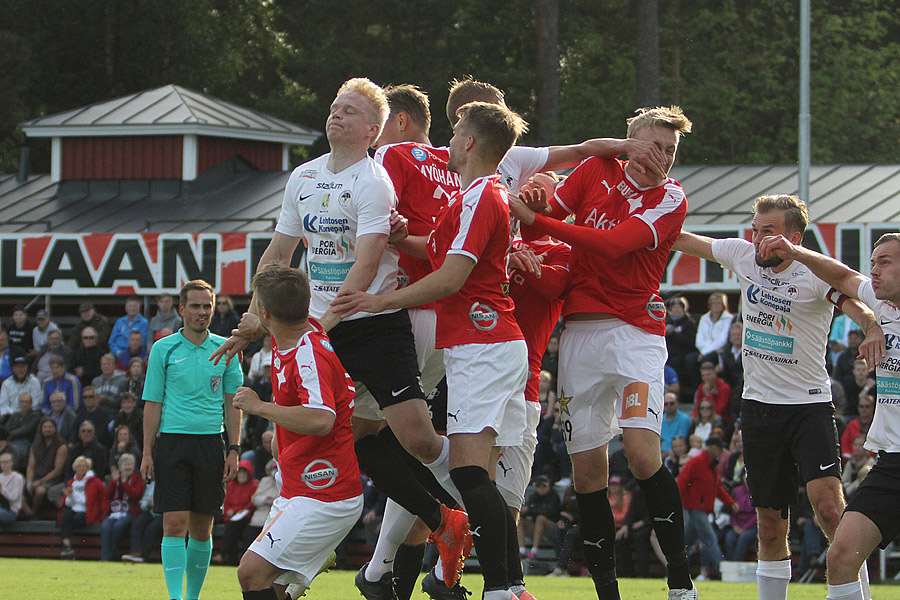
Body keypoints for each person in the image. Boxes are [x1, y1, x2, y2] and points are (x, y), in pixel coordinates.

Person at [212, 78, 469, 596]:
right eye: (334, 108)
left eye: (349, 112)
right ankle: (443, 521)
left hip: (372, 324)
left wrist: (315, 328)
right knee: (353, 440)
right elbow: (278, 254)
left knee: (417, 438)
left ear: (373, 130)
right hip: (323, 327)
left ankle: (471, 502)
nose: (336, 117)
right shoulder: (303, 176)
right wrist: (255, 315)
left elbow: (368, 261)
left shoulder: (374, 181)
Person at [333, 100, 531, 600]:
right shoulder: (476, 195)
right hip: (489, 345)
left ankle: (501, 586)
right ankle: (499, 584)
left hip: (482, 345)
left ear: (468, 142)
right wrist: (404, 238)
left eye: (457, 128)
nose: (449, 137)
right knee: (471, 473)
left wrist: (381, 299)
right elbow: (439, 251)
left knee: (463, 470)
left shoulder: (480, 196)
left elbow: (450, 276)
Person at [510, 105, 696, 600]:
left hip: (635, 337)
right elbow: (548, 220)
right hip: (578, 339)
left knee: (640, 455)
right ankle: (607, 593)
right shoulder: (594, 169)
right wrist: (534, 207)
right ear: (628, 141)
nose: (661, 158)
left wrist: (537, 218)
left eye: (671, 150)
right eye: (654, 145)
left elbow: (613, 246)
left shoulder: (671, 197)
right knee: (587, 472)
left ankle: (680, 582)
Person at [673, 194, 884, 600]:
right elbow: (680, 239)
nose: (758, 239)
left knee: (829, 510)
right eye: (754, 229)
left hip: (810, 406)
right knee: (770, 522)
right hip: (759, 410)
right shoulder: (742, 255)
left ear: (794, 236)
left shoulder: (813, 272)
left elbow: (854, 300)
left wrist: (872, 328)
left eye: (767, 231)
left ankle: (858, 595)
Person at [755, 230, 900, 600]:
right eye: (873, 264)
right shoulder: (882, 307)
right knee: (840, 556)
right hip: (893, 465)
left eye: (885, 262)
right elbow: (841, 276)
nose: (875, 271)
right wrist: (794, 252)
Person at [231, 263, 364, 600]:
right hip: (297, 488)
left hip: (325, 495)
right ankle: (312, 558)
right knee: (272, 589)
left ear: (264, 311)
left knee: (250, 572)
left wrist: (258, 406)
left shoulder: (308, 355)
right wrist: (253, 331)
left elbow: (321, 419)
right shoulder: (294, 334)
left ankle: (316, 551)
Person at [140, 280, 244, 600]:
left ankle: (192, 597)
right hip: (172, 443)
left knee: (202, 529)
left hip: (211, 444)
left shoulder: (226, 348)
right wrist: (146, 451)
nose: (202, 312)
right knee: (173, 524)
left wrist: (234, 449)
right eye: (195, 306)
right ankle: (175, 597)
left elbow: (233, 403)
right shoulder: (163, 348)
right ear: (181, 309)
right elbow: (153, 403)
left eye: (207, 306)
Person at [676, 435, 737, 581]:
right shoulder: (696, 462)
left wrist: (730, 502)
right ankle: (723, 572)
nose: (722, 451)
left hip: (700, 508)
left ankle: (674, 566)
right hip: (695, 508)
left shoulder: (711, 466)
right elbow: (681, 483)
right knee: (710, 539)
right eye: (719, 448)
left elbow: (718, 488)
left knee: (686, 542)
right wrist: (679, 504)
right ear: (711, 448)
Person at [100, 452, 145, 561]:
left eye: (130, 464)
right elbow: (106, 495)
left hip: (130, 512)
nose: (127, 467)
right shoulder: (115, 479)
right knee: (105, 526)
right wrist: (113, 482)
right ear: (120, 467)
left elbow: (135, 495)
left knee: (118, 526)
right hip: (114, 512)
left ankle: (113, 554)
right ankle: (105, 557)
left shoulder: (137, 479)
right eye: (125, 464)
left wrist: (125, 483)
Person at [58, 455, 104, 559]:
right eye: (79, 466)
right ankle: (67, 547)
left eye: (84, 466)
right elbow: (68, 503)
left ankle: (67, 548)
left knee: (74, 520)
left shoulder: (94, 482)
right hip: (74, 509)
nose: (82, 469)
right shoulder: (72, 482)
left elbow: (88, 501)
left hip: (87, 512)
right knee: (65, 516)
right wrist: (69, 496)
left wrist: (72, 495)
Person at [216, 459, 258, 566]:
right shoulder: (231, 486)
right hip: (232, 517)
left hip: (245, 516)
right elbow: (226, 502)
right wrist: (229, 512)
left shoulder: (253, 486)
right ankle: (230, 558)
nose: (242, 476)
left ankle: (223, 553)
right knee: (231, 528)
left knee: (233, 528)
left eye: (245, 473)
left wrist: (235, 511)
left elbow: (251, 504)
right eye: (240, 473)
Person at [25, 416, 67, 514]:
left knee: (40, 491)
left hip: (52, 479)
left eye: (50, 427)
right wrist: (29, 481)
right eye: (45, 427)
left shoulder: (61, 446)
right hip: (36, 477)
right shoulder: (36, 445)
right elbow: (31, 465)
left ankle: (33, 512)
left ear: (55, 429)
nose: (47, 429)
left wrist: (40, 481)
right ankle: (25, 510)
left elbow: (57, 470)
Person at [518, 475, 561, 563]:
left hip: (551, 528)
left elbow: (549, 512)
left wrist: (530, 510)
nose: (541, 489)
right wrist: (525, 510)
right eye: (539, 486)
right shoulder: (534, 496)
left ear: (548, 486)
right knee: (520, 520)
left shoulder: (554, 496)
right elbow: (529, 509)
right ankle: (521, 551)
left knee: (540, 519)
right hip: (536, 528)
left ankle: (534, 552)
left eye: (544, 486)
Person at [665, 296, 698, 402]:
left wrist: (674, 334)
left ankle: (678, 395)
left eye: (679, 308)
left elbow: (690, 342)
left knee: (676, 363)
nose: (676, 310)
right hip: (669, 352)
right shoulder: (667, 322)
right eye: (673, 308)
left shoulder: (689, 323)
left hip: (684, 352)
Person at [724, 468, 757, 561]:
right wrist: (735, 526)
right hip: (738, 523)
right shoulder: (737, 491)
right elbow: (732, 511)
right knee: (729, 538)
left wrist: (745, 528)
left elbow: (757, 515)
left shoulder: (757, 492)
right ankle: (731, 565)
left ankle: (736, 564)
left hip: (752, 526)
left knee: (743, 538)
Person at [2, 393, 41, 470]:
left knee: (16, 450)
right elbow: (7, 428)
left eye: (26, 402)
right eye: (22, 402)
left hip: (25, 441)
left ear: (31, 403)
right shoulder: (15, 415)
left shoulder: (35, 415)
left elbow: (26, 430)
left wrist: (9, 435)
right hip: (11, 440)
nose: (24, 404)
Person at [694, 293, 734, 364]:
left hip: (718, 351)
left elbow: (722, 340)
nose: (715, 305)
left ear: (723, 305)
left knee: (706, 359)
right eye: (713, 303)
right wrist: (704, 351)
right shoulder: (704, 318)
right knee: (689, 359)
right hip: (703, 349)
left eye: (718, 303)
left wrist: (705, 352)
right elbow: (699, 339)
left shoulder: (729, 319)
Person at [840, 392, 875, 459]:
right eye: (861, 406)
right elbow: (844, 445)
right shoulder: (851, 425)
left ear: (872, 408)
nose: (864, 409)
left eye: (867, 406)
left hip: (871, 461)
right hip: (852, 460)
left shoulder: (876, 425)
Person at [841, 434, 875, 498]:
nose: (857, 448)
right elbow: (844, 479)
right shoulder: (850, 461)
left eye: (860, 445)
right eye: (855, 445)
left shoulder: (870, 461)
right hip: (850, 493)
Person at [0, 450, 25, 523]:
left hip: (10, 511)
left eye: (7, 461)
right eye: (2, 462)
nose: (5, 464)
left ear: (11, 462)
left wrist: (2, 488)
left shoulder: (17, 477)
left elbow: (14, 498)